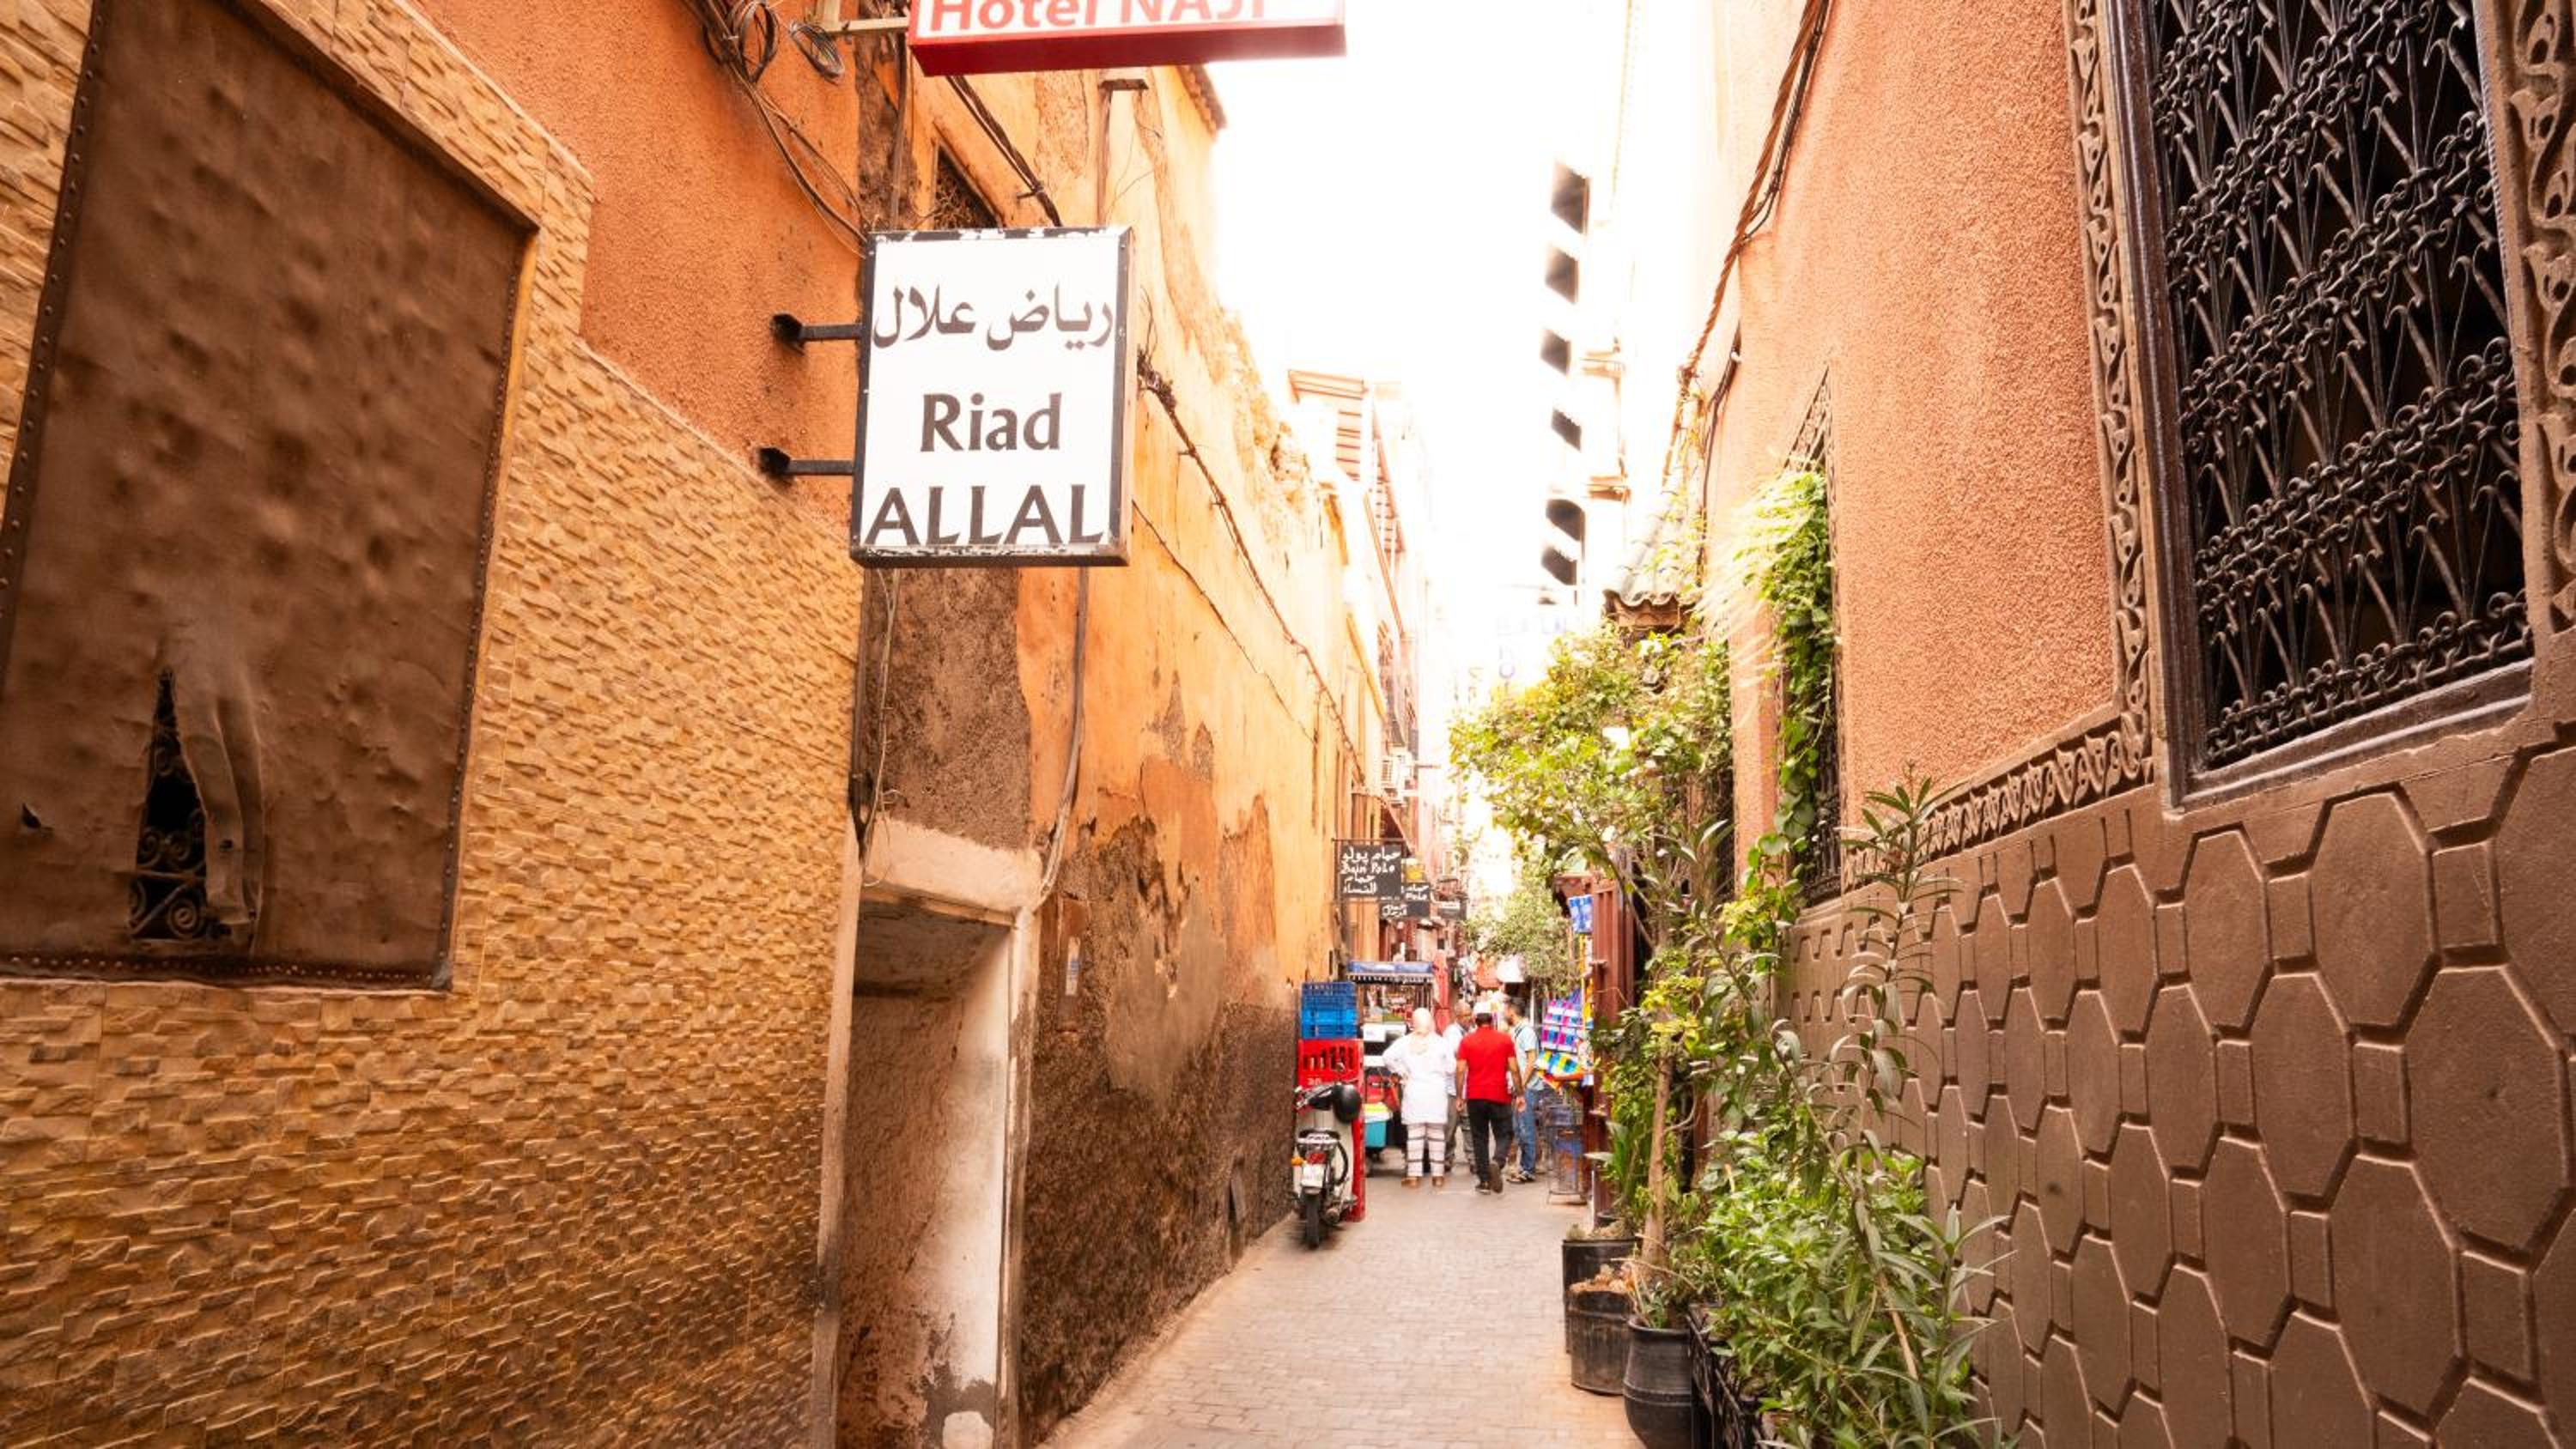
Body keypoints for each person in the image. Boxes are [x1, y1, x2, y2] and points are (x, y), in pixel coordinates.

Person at [1452, 1004, 1527, 1194]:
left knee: (1479, 1138)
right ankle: (1498, 1161)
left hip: (1475, 1096)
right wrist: (1520, 1094)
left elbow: (1460, 1070)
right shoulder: (1505, 1040)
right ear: (1492, 1020)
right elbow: (1514, 1069)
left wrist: (1459, 1096)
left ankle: (1484, 1181)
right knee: (1505, 1133)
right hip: (1499, 1095)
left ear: (1475, 1021)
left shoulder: (1467, 1041)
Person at [1382, 1008, 1456, 1188]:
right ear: (1431, 1023)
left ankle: (1414, 1176)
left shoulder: (1404, 1042)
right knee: (1437, 1135)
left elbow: (1387, 1057)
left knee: (1415, 1135)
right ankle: (1438, 1176)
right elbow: (1451, 1068)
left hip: (1414, 1092)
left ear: (1413, 1024)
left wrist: (1401, 1071)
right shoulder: (1441, 1043)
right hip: (1436, 1093)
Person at [1505, 1000, 1544, 1184]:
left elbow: (1531, 1061)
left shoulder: (1526, 1032)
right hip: (1523, 1088)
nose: (1504, 1014)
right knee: (1520, 1127)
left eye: (1506, 1010)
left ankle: (1528, 1170)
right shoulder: (1519, 1031)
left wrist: (1522, 1085)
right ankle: (1526, 1167)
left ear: (1512, 1011)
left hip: (1527, 1088)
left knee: (1525, 1128)